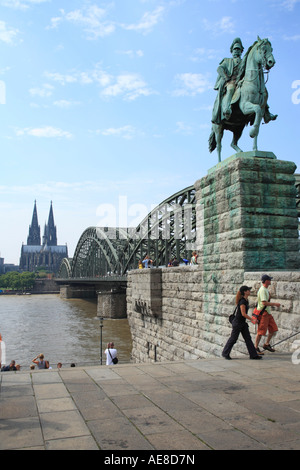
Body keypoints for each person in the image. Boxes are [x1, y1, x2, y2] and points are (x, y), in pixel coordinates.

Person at [222, 286, 262, 360]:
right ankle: (225, 353)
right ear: (245, 292)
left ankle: (253, 355)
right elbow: (243, 314)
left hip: (242, 323)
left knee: (248, 339)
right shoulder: (242, 301)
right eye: (248, 290)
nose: (249, 291)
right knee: (233, 339)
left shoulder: (246, 300)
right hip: (238, 323)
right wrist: (252, 319)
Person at [255, 274, 280, 354]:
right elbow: (264, 302)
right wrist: (275, 304)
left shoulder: (265, 289)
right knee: (261, 331)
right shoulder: (262, 290)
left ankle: (266, 344)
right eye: (269, 280)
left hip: (268, 313)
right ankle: (255, 348)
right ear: (266, 281)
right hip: (264, 314)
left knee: (273, 329)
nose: (270, 281)